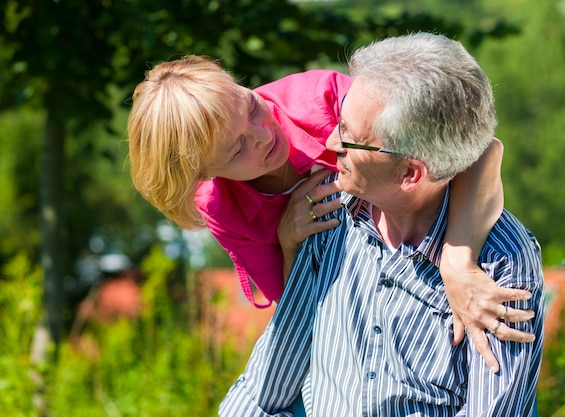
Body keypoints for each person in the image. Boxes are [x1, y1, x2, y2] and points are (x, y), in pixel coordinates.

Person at [127, 50, 535, 370]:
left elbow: (480, 151)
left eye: (251, 106)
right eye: (237, 148)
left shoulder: (321, 96)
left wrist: (457, 262)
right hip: (359, 342)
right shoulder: (222, 210)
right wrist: (288, 243)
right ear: (204, 173)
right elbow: (298, 312)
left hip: (445, 274)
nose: (264, 134)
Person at [219, 32, 545, 416]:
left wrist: (455, 258)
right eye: (338, 122)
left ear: (410, 173)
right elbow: (265, 389)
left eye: (349, 138)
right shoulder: (326, 211)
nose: (330, 143)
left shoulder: (502, 265)